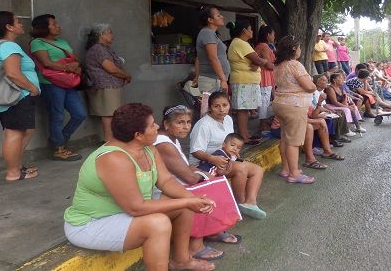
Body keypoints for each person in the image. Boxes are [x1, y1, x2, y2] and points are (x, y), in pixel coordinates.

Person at [63, 103, 216, 271]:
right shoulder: (114, 159)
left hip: (123, 214)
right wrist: (187, 202)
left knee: (183, 200)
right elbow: (136, 208)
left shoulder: (148, 148)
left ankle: (181, 261)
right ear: (138, 135)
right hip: (92, 223)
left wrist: (191, 199)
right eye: (152, 125)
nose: (157, 126)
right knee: (158, 223)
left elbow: (166, 181)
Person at [154, 105, 237, 261]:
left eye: (188, 122)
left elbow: (186, 168)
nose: (185, 127)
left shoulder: (172, 139)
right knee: (203, 191)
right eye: (180, 123)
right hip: (164, 191)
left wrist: (206, 174)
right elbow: (190, 178)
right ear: (166, 124)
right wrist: (205, 175)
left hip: (174, 185)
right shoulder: (164, 144)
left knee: (217, 182)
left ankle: (213, 230)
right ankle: (195, 245)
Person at [0, 11, 41, 181]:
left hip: (11, 97)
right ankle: (13, 173)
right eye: (17, 21)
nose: (21, 24)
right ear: (8, 27)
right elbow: (13, 74)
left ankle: (17, 166)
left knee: (24, 130)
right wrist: (32, 88)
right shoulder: (8, 46)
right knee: (14, 132)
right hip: (17, 96)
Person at [189, 92, 267, 219]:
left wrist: (235, 152)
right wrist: (212, 158)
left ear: (229, 105)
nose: (221, 109)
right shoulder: (203, 125)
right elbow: (195, 151)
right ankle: (240, 203)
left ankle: (250, 202)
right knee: (241, 170)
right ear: (210, 107)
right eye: (216, 106)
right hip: (204, 165)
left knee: (257, 170)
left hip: (224, 160)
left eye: (225, 105)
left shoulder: (228, 120)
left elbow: (229, 142)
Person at [30, 14, 85, 161]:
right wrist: (69, 67)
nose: (58, 26)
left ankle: (59, 140)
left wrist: (76, 65)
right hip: (51, 83)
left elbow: (76, 59)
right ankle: (58, 149)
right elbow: (46, 63)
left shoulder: (62, 41)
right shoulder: (37, 43)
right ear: (44, 27)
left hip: (68, 82)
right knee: (57, 115)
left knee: (79, 114)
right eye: (53, 24)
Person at [272, 35, 318, 184]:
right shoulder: (295, 64)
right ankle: (294, 173)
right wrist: (313, 85)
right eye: (299, 47)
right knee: (293, 141)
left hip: (280, 104)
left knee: (285, 138)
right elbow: (309, 86)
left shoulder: (278, 65)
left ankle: (286, 169)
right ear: (293, 49)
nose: (300, 50)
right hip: (294, 106)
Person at [226, 20, 274, 144]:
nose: (252, 31)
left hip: (246, 81)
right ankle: (243, 137)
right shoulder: (240, 43)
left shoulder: (241, 43)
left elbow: (255, 61)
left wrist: (258, 62)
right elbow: (258, 60)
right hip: (243, 81)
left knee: (245, 109)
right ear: (244, 31)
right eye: (250, 29)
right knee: (242, 110)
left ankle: (245, 134)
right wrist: (262, 61)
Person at [84, 23, 131, 142]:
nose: (112, 35)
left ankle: (110, 141)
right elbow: (111, 68)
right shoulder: (98, 49)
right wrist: (126, 76)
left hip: (110, 86)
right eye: (110, 32)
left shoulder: (104, 48)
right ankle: (109, 142)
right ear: (101, 34)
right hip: (105, 86)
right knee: (109, 114)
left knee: (111, 113)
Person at [194, 6, 230, 94]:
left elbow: (198, 58)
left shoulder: (209, 33)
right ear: (210, 20)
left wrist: (197, 76)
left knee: (213, 107)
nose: (222, 17)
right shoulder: (208, 33)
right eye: (218, 16)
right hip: (212, 81)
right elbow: (213, 58)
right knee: (212, 107)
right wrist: (223, 79)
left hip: (213, 80)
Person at [254, 25, 276, 133]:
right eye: (273, 34)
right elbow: (269, 65)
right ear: (268, 35)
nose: (274, 37)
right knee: (264, 101)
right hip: (264, 76)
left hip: (265, 75)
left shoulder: (262, 46)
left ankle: (263, 122)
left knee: (265, 100)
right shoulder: (264, 47)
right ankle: (262, 124)